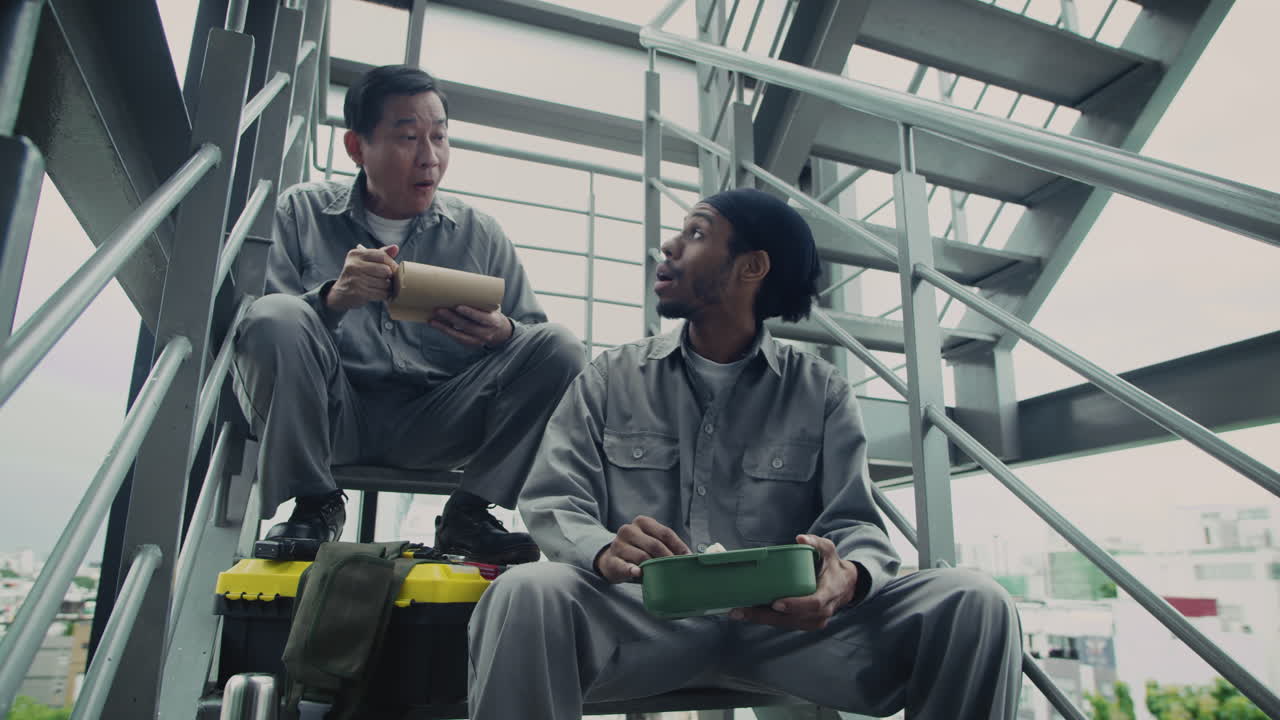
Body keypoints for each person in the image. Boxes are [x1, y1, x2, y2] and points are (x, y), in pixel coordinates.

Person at [468, 188, 1023, 718]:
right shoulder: (610, 377)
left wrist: (846, 576)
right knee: (526, 591)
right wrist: (603, 549)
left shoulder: (822, 391)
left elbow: (853, 522)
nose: (669, 246)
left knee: (975, 599)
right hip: (639, 622)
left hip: (788, 633)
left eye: (696, 233)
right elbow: (553, 499)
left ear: (751, 268)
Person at [232, 65, 586, 564]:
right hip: (332, 414)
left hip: (437, 421)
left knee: (560, 347)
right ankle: (313, 502)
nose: (430, 157)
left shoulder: (478, 232)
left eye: (439, 137)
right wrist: (333, 299)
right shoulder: (299, 213)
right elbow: (257, 328)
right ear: (356, 148)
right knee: (278, 317)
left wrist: (502, 333)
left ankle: (470, 512)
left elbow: (535, 335)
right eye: (408, 138)